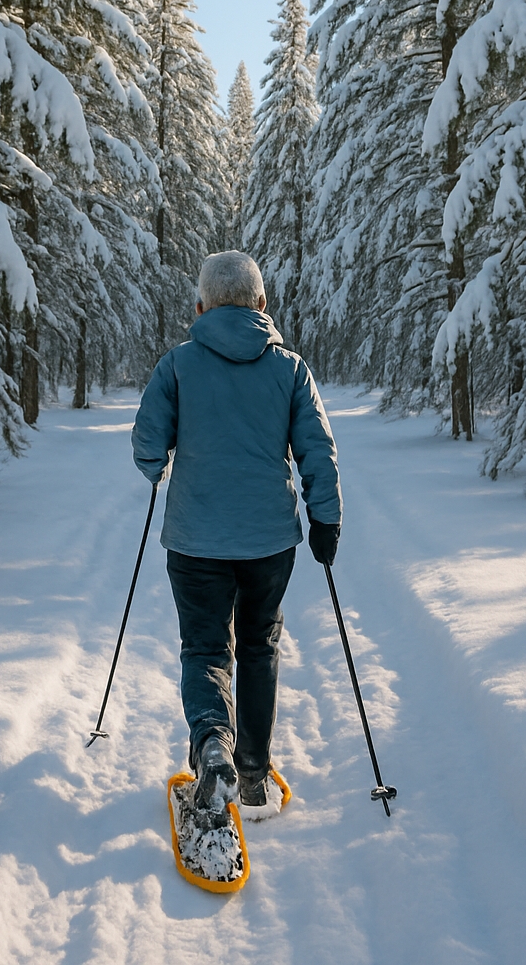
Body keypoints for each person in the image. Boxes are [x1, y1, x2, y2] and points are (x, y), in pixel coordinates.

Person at [132, 250, 341, 816]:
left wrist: (157, 467)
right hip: (268, 541)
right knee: (256, 645)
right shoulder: (290, 368)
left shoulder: (177, 365)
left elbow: (148, 444)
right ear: (262, 304)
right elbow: (316, 450)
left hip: (195, 540)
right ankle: (251, 772)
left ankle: (211, 746)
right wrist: (326, 518)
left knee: (204, 648)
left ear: (199, 307)